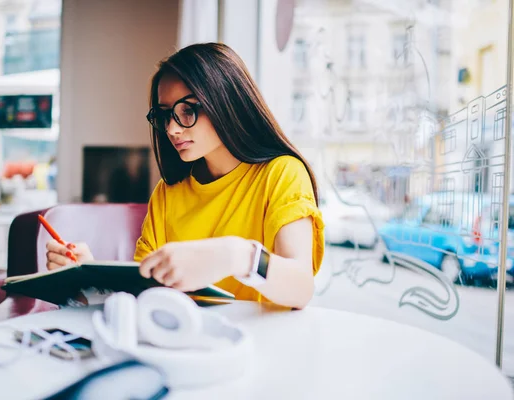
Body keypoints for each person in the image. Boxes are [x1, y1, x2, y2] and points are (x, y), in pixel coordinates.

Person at [46, 43, 325, 309]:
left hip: (257, 349)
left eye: (187, 110)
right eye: (165, 115)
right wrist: (89, 279)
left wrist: (236, 255)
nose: (171, 129)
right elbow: (146, 295)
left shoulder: (281, 174)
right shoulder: (168, 194)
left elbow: (300, 288)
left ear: (226, 102)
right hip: (184, 344)